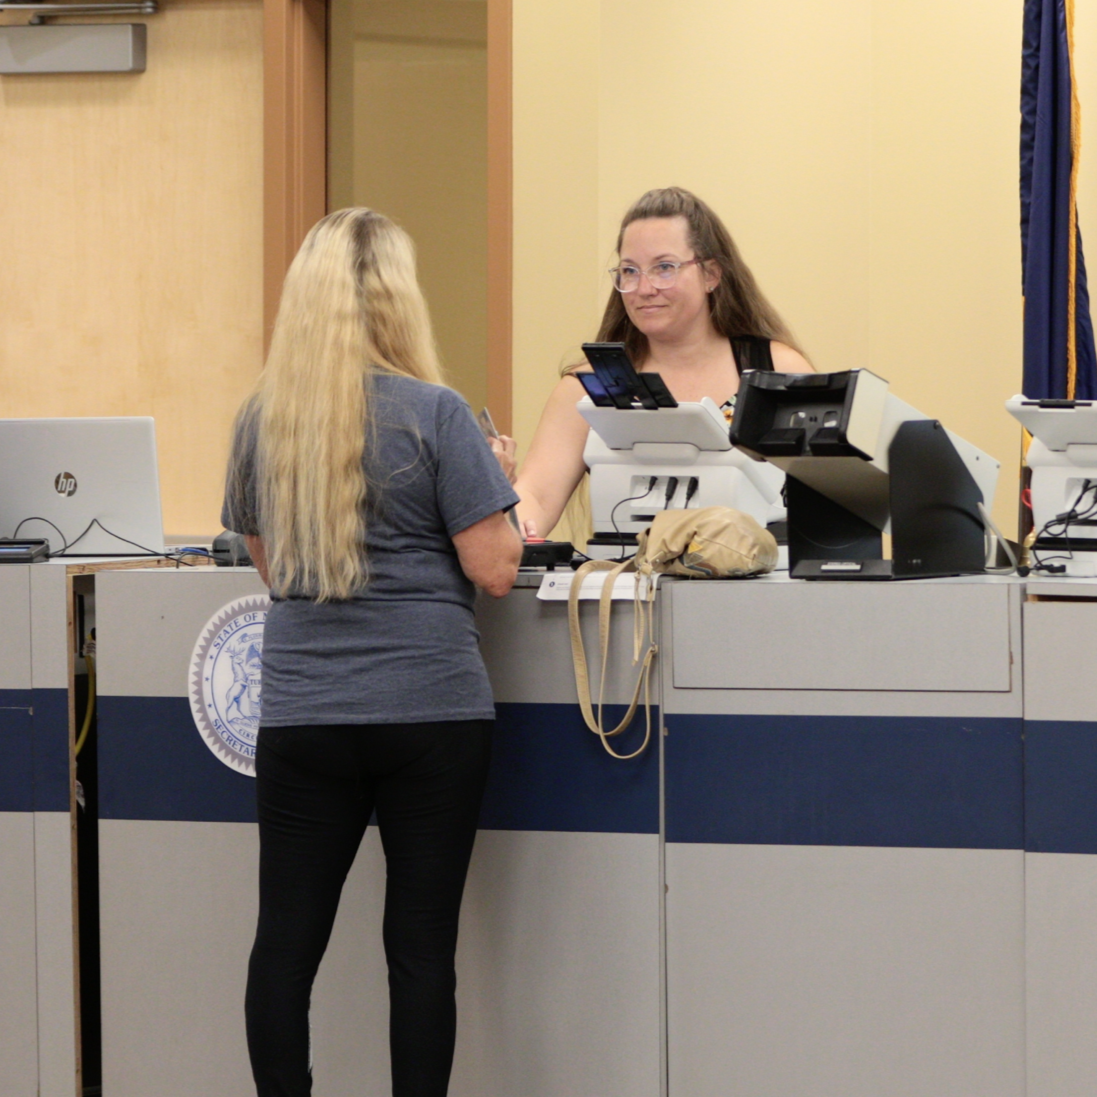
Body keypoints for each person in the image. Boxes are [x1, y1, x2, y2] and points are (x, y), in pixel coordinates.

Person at [222, 207, 523, 1097]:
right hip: (430, 709)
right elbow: (494, 568)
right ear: (401, 301)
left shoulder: (261, 421)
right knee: (420, 945)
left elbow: (274, 569)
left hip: (306, 713)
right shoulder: (436, 414)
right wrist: (496, 485)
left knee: (285, 941)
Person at [492, 186, 813, 539]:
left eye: (664, 268)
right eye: (629, 271)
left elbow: (829, 498)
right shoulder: (589, 386)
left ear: (711, 274)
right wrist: (493, 500)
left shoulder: (776, 372)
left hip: (755, 584)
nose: (644, 288)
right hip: (628, 585)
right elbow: (536, 497)